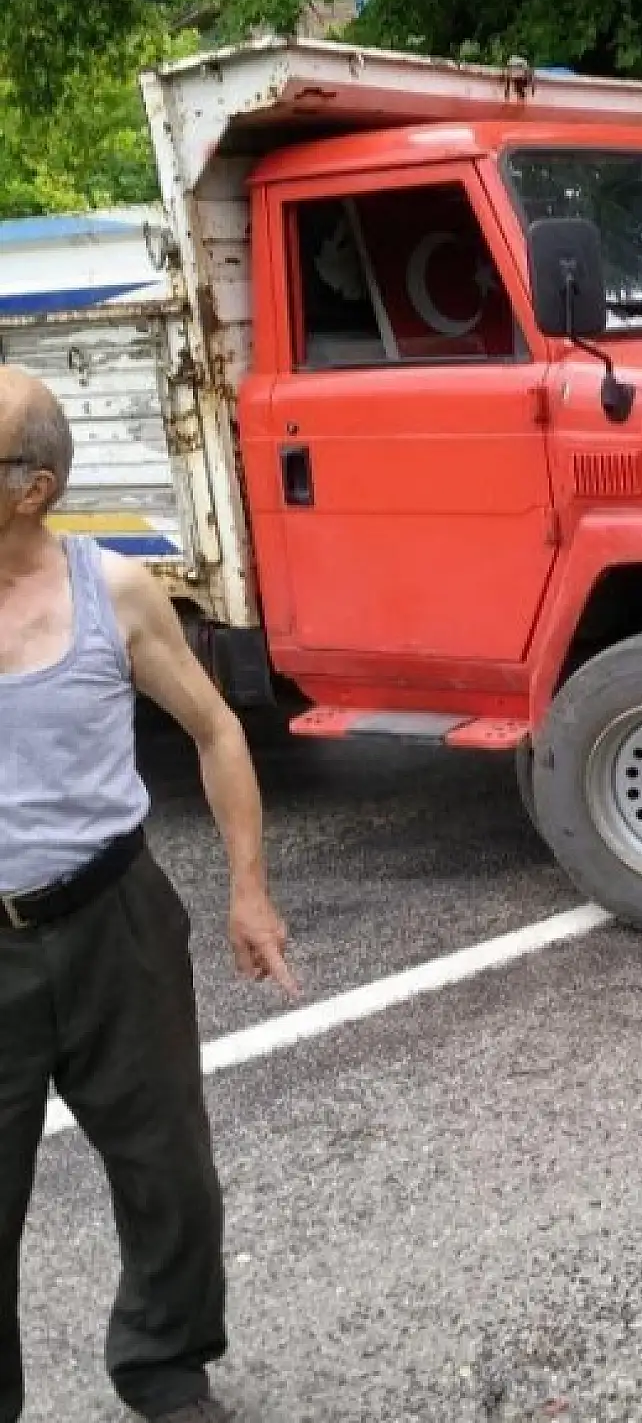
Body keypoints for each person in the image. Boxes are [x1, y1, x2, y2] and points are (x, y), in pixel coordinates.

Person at [0, 367, 299, 1423]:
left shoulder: (113, 592)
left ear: (32, 487)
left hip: (116, 917)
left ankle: (166, 1366)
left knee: (169, 1172)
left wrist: (248, 892)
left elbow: (217, 730)